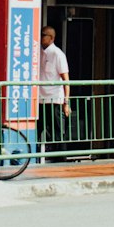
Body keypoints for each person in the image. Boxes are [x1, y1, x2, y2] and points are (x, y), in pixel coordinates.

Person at [38, 25, 70, 158]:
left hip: (54, 99)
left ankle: (60, 158)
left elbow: (66, 80)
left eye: (43, 34)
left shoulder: (58, 54)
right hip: (40, 98)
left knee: (56, 130)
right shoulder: (38, 52)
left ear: (51, 38)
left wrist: (66, 102)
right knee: (39, 128)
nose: (40, 37)